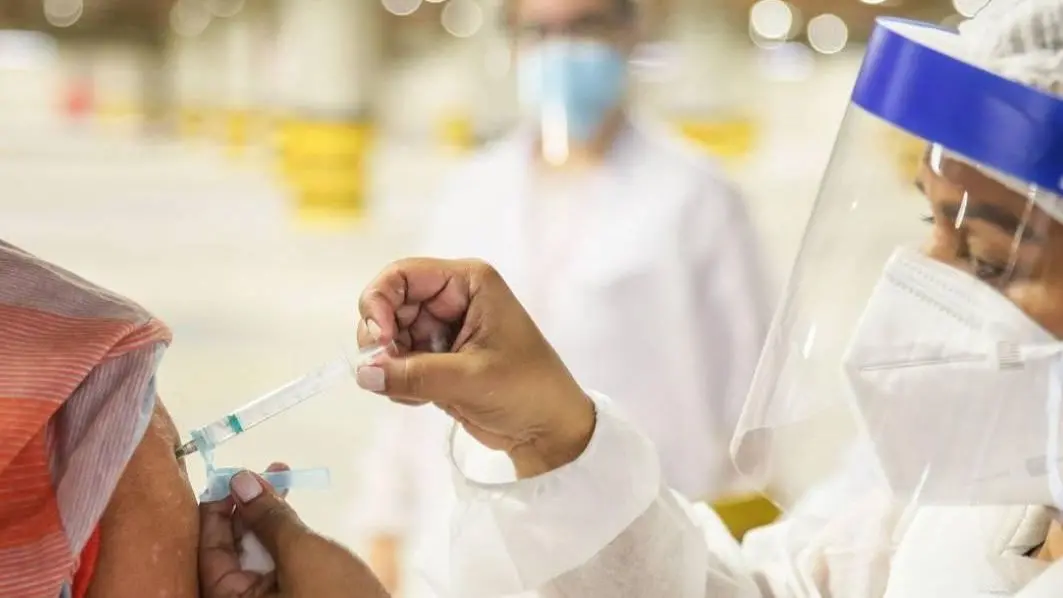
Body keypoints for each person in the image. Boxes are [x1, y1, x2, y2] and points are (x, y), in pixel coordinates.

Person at [342, 1, 1063, 595]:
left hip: (668, 492)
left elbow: (741, 401)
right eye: (928, 221)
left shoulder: (694, 196)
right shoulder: (950, 515)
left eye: (987, 256)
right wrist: (554, 438)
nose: (925, 279)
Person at [356, 0, 771, 592]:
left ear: (630, 31)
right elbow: (406, 399)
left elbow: (750, 407)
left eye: (584, 27)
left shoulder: (697, 197)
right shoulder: (470, 191)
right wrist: (384, 535)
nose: (561, 51)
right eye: (540, 33)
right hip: (458, 561)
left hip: (631, 553)